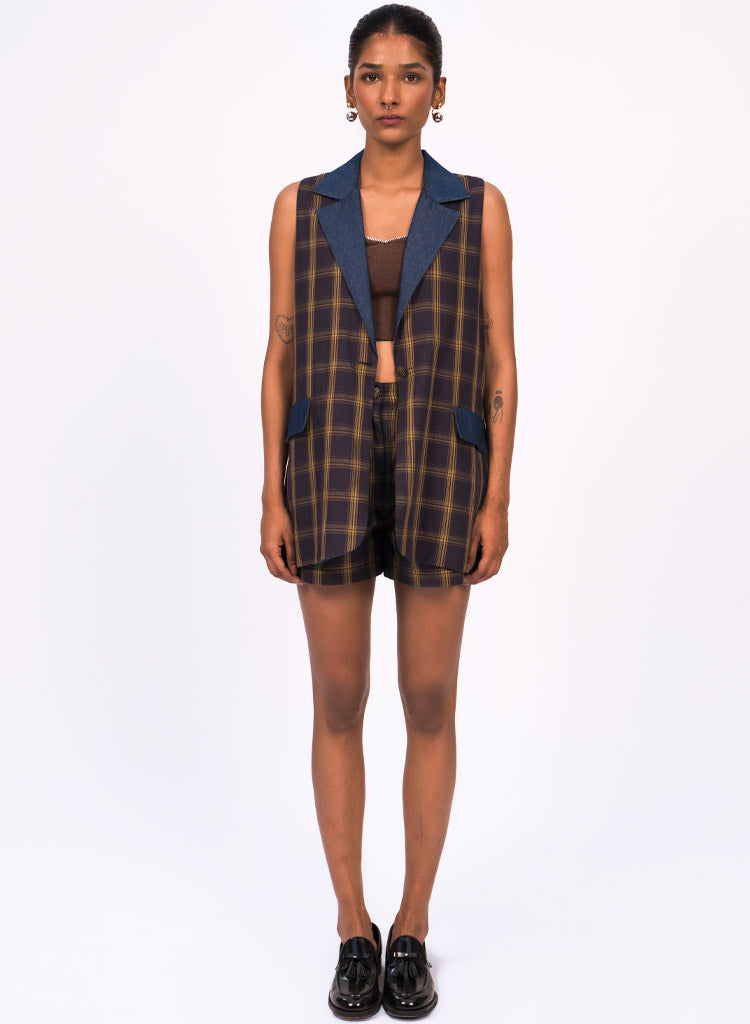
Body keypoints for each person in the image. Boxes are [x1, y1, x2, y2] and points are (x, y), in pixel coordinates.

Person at [260, 4, 516, 1018]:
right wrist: (271, 487)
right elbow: (280, 349)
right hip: (325, 455)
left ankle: (411, 925)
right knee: (337, 698)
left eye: (412, 75)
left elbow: (501, 358)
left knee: (429, 698)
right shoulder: (301, 206)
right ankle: (351, 927)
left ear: (438, 93)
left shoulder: (478, 207)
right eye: (373, 74)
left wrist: (497, 493)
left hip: (442, 461)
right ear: (349, 90)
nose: (391, 92)